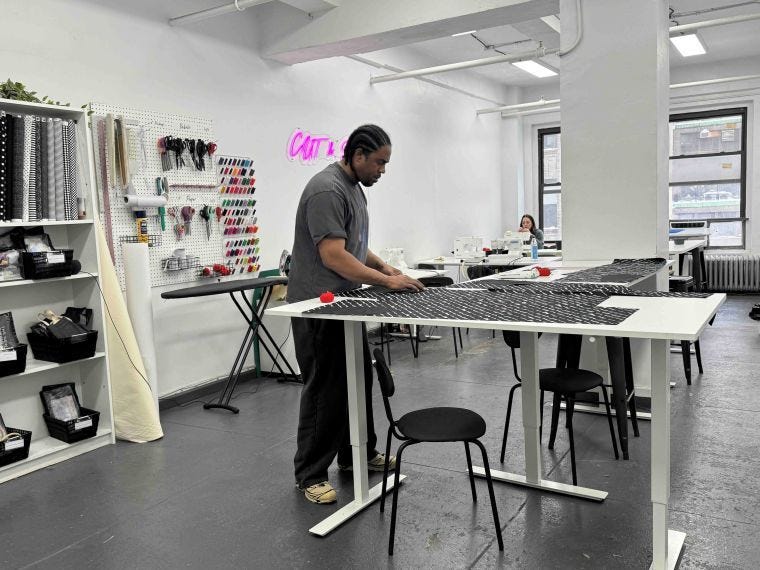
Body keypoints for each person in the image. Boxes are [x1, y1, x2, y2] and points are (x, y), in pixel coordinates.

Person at [287, 124, 425, 504]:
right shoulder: (327, 190)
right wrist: (387, 282)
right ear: (358, 155)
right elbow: (334, 255)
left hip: (343, 304)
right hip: (318, 307)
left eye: (386, 163)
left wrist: (383, 267)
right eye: (379, 162)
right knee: (325, 390)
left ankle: (357, 455)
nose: (382, 170)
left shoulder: (353, 189)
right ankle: (310, 473)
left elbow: (352, 245)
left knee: (358, 379)